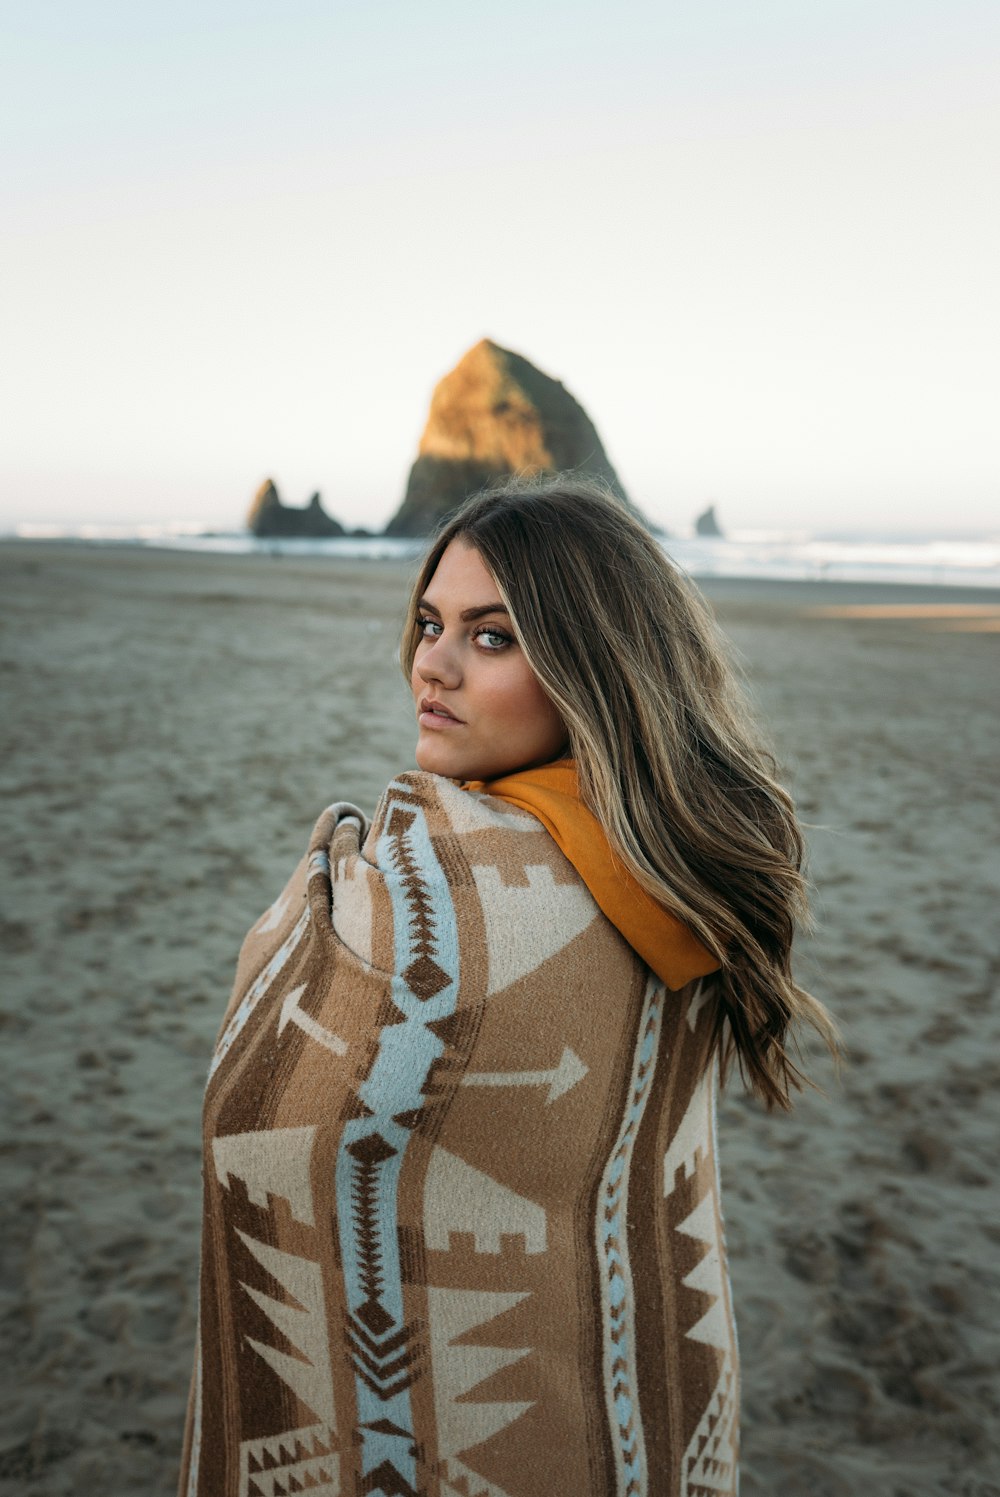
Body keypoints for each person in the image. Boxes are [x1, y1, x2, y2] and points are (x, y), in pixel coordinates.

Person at [178, 473, 837, 1497]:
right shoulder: (688, 869)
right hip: (624, 1441)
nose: (428, 666)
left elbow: (256, 1129)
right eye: (429, 623)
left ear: (592, 667)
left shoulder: (415, 895)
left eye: (492, 637)